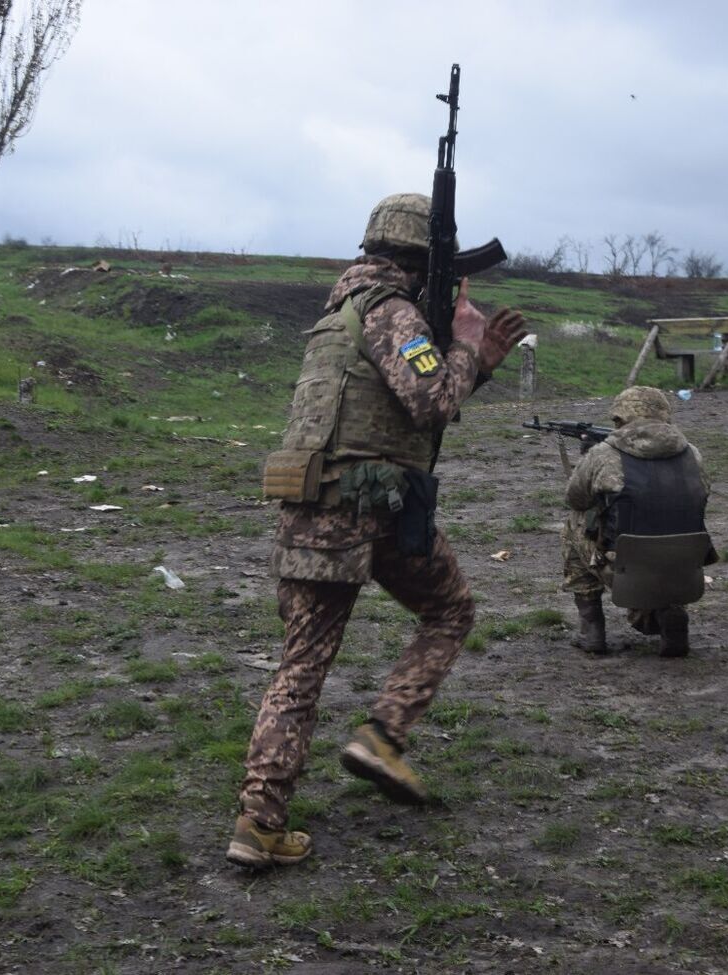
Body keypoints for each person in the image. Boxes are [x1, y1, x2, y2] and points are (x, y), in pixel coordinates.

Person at [227, 193, 527, 869]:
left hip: (309, 506)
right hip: (369, 510)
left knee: (299, 669)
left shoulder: (338, 315)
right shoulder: (394, 314)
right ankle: (383, 734)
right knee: (450, 608)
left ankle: (259, 820)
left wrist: (466, 358)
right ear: (421, 262)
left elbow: (404, 407)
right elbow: (432, 400)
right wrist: (470, 349)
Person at [561, 386, 712, 658]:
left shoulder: (603, 455)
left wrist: (586, 458)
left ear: (620, 418)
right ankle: (666, 614)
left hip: (625, 567)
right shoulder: (693, 454)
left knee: (575, 523)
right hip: (684, 567)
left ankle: (591, 628)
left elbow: (575, 499)